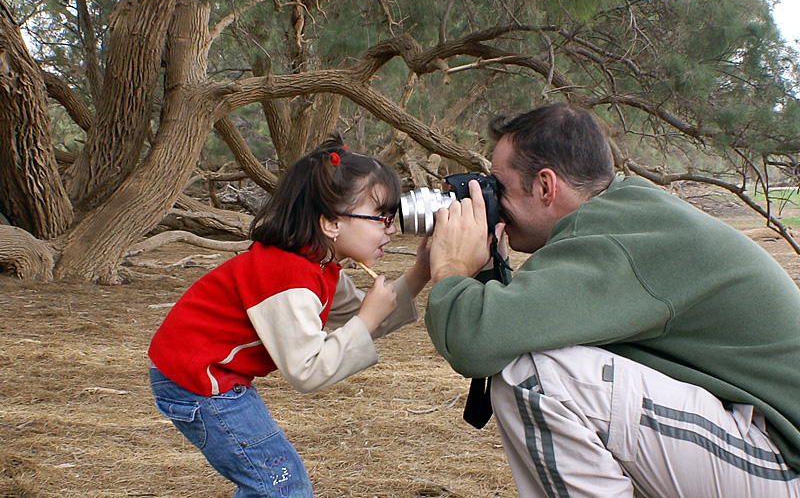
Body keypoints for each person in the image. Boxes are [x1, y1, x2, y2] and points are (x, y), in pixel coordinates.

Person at [424, 102, 800, 497]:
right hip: (765, 445)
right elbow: (516, 322)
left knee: (534, 373)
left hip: (782, 459)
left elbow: (479, 339)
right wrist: (486, 262)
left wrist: (450, 265)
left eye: (497, 187)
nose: (488, 199)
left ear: (546, 186)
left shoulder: (611, 239)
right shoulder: (627, 213)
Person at [148, 133, 430, 498]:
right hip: (198, 381)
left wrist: (422, 269)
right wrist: (367, 317)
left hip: (212, 376)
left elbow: (366, 319)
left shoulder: (318, 264)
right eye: (381, 217)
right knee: (280, 485)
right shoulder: (286, 275)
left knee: (276, 484)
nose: (391, 229)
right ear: (331, 222)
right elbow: (308, 370)